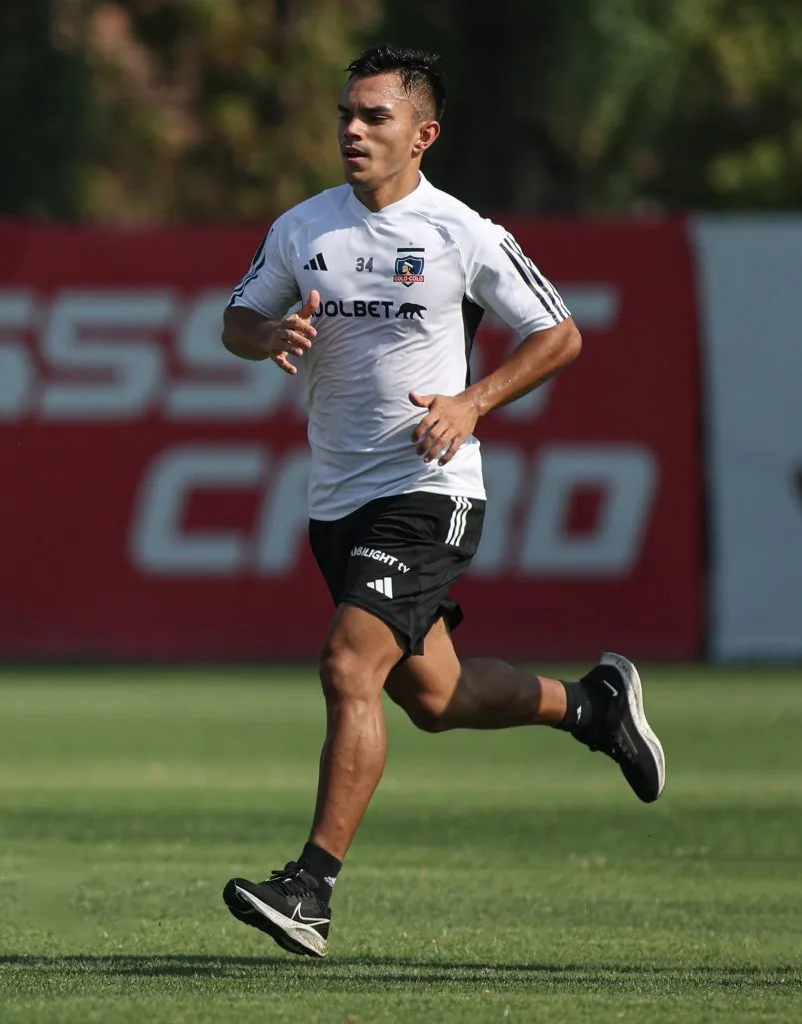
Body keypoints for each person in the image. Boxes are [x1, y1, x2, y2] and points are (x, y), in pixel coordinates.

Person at [220, 44, 665, 959]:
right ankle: (592, 706)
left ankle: (309, 891)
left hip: (427, 492)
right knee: (436, 695)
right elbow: (233, 321)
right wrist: (266, 331)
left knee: (350, 667)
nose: (351, 129)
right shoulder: (303, 227)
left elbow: (559, 334)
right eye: (346, 112)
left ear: (422, 135)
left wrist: (472, 402)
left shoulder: (463, 232)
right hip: (336, 501)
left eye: (374, 116)